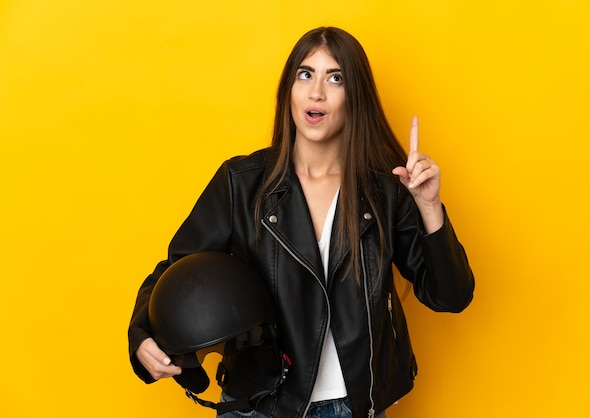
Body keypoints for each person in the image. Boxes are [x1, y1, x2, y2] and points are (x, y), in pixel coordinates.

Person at [128, 26, 475, 418]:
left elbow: (451, 296)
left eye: (335, 78)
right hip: (261, 405)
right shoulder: (241, 183)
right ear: (289, 91)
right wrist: (141, 336)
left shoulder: (386, 191)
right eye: (305, 74)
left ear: (354, 97)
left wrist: (429, 207)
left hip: (354, 407)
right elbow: (177, 270)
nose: (317, 92)